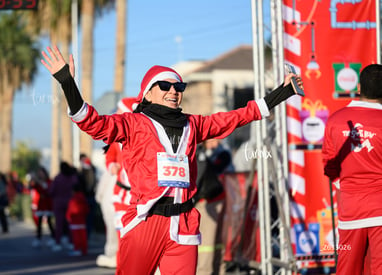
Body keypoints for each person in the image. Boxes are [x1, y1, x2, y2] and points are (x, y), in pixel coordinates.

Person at [41, 45, 303, 274]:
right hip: (146, 222)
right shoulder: (133, 123)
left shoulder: (194, 124)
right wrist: (67, 82)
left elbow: (238, 116)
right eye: (164, 86)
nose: (173, 91)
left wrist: (283, 92)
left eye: (179, 86)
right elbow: (91, 122)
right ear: (147, 94)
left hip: (185, 222)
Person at [322, 64, 382, 275]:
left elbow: (329, 167)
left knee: (347, 269)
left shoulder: (335, 120)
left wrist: (348, 186)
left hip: (350, 209)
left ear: (358, 87)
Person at [96, 97, 138, 268]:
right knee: (121, 231)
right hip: (120, 192)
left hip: (139, 194)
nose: (117, 114)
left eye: (120, 111)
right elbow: (110, 156)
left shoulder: (141, 135)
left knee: (137, 233)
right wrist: (112, 164)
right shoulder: (115, 136)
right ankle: (120, 263)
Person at [194, 139, 233, 275]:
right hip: (210, 201)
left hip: (211, 200)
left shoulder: (220, 153)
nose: (217, 141)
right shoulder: (200, 151)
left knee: (209, 243)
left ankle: (206, 272)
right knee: (209, 243)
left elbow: (209, 169)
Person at [49, 161, 79, 252]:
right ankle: (71, 242)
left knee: (59, 224)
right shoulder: (73, 178)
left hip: (58, 203)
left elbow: (51, 191)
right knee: (70, 223)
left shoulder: (58, 178)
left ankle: (58, 242)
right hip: (70, 203)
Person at [29, 166, 56, 248]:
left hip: (47, 202)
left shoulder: (49, 181)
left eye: (42, 173)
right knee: (39, 222)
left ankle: (53, 238)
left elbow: (48, 189)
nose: (41, 174)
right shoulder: (37, 182)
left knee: (49, 221)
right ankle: (38, 238)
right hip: (41, 203)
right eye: (39, 173)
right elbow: (32, 187)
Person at [66, 183, 90, 256]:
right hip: (82, 221)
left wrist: (68, 217)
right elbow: (87, 209)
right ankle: (84, 250)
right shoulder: (83, 199)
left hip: (74, 221)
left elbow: (70, 210)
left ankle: (77, 249)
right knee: (83, 237)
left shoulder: (73, 200)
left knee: (76, 237)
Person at [78, 153, 97, 239]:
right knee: (85, 219)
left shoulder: (90, 169)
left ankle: (86, 236)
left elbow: (91, 183)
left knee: (89, 219)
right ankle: (84, 236)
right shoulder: (82, 172)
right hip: (84, 198)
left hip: (88, 197)